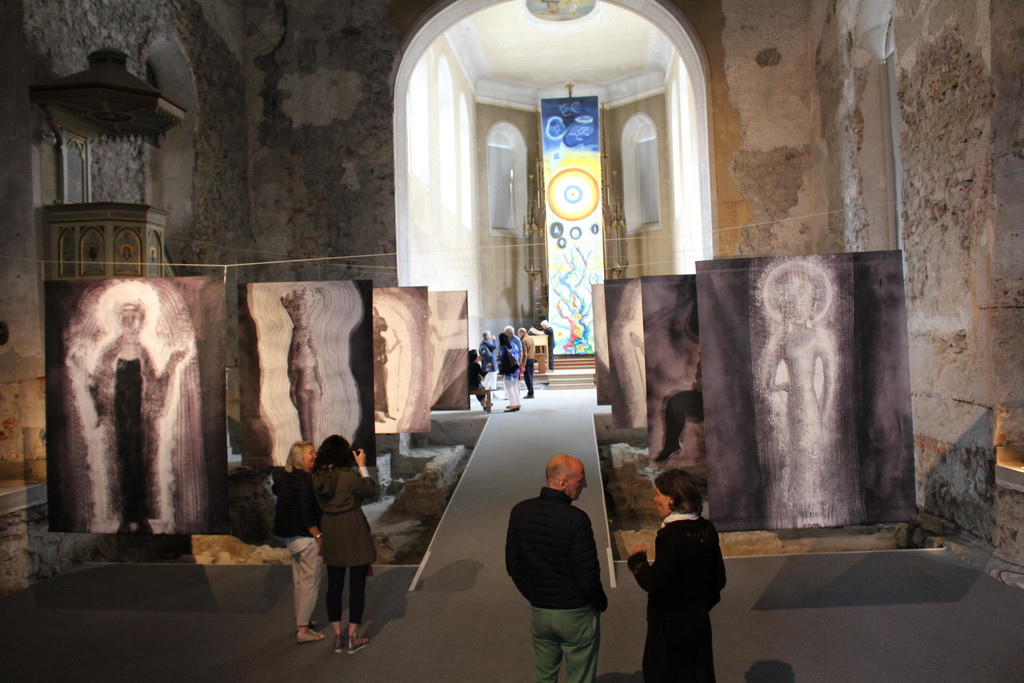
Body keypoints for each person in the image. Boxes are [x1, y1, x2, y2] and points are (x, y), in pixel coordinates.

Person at [506, 455, 608, 683]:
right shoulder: (576, 519)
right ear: (563, 483)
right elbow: (587, 574)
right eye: (580, 480)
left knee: (543, 677)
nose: (585, 485)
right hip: (575, 614)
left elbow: (513, 565)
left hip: (540, 614)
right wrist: (600, 603)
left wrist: (535, 596)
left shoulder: (519, 512)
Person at [627, 469, 727, 682]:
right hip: (698, 622)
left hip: (670, 627)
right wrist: (699, 607)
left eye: (658, 494)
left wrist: (637, 561)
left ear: (671, 499)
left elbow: (655, 582)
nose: (655, 499)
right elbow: (719, 578)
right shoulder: (707, 528)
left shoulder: (671, 536)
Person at [312, 435, 377, 655]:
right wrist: (362, 467)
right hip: (352, 529)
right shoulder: (347, 475)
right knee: (357, 587)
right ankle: (352, 637)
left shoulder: (318, 476)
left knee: (334, 587)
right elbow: (369, 490)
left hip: (330, 530)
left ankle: (337, 636)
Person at [272, 441, 325, 643]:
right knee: (310, 583)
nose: (314, 456)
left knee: (300, 582)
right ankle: (303, 629)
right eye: (310, 453)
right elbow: (305, 512)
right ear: (299, 458)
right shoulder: (304, 481)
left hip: (292, 538)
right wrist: (318, 536)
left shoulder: (288, 478)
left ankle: (302, 620)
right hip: (305, 538)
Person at [498, 331, 521, 412]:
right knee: (515, 386)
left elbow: (501, 358)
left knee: (509, 388)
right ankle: (517, 403)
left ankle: (512, 405)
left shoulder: (503, 347)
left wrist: (499, 361)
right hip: (515, 368)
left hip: (508, 369)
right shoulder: (514, 345)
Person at [467, 348, 491, 413]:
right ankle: (484, 402)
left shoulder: (466, 365)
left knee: (479, 391)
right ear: (475, 357)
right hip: (475, 385)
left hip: (467, 386)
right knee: (482, 389)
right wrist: (487, 369)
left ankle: (484, 403)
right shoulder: (476, 365)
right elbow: (483, 374)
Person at [518, 327, 536, 398]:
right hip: (532, 358)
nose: (518, 335)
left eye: (519, 333)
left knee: (527, 378)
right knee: (530, 376)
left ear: (522, 333)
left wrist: (523, 365)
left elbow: (524, 354)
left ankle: (530, 393)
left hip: (527, 360)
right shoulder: (531, 338)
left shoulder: (524, 340)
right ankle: (531, 392)